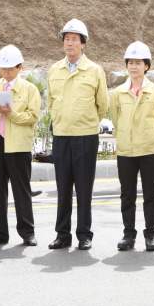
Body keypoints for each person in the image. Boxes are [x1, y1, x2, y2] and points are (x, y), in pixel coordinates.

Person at [47, 19, 108, 250]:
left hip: (85, 136)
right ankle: (62, 234)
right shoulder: (55, 69)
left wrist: (86, 121)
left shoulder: (94, 70)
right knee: (63, 187)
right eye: (66, 39)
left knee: (84, 187)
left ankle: (84, 234)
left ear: (83, 44)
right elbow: (51, 101)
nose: (69, 43)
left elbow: (101, 104)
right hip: (61, 135)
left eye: (74, 39)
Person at [0, 45, 41, 246]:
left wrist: (10, 112)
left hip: (18, 146)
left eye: (10, 69)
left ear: (20, 67)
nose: (5, 73)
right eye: (2, 69)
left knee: (21, 190)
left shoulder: (29, 89)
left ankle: (27, 232)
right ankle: (0, 233)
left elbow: (33, 117)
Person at [111, 42, 154, 252]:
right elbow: (116, 120)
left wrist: (149, 136)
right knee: (127, 195)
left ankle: (151, 235)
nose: (134, 66)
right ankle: (128, 234)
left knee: (151, 194)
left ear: (146, 66)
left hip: (150, 150)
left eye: (138, 63)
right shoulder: (118, 93)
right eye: (130, 63)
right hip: (126, 150)